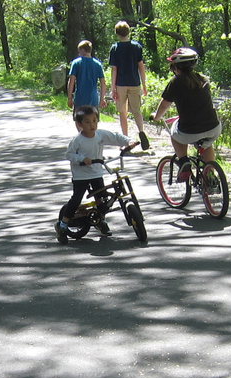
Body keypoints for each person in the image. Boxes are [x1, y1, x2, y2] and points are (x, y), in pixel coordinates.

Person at [55, 104, 139, 244]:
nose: (92, 125)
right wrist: (82, 159)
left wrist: (129, 141)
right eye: (87, 122)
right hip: (81, 175)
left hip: (96, 172)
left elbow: (115, 137)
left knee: (102, 198)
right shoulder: (78, 140)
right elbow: (69, 154)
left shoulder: (100, 135)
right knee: (76, 199)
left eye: (94, 120)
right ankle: (63, 224)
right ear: (80, 124)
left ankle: (101, 221)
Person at [149, 47, 222, 181]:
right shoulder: (203, 79)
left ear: (176, 68)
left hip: (190, 131)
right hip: (214, 128)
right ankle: (210, 176)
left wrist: (156, 117)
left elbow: (164, 104)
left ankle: (184, 162)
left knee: (174, 133)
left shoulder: (176, 82)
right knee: (206, 144)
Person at [108, 21, 149, 147]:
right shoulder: (136, 47)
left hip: (121, 84)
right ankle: (141, 131)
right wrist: (144, 84)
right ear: (128, 32)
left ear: (117, 33)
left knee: (122, 112)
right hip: (134, 83)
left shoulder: (115, 48)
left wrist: (113, 88)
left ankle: (125, 139)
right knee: (136, 110)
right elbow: (141, 67)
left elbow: (114, 70)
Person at [67, 40, 106, 112]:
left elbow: (71, 81)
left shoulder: (76, 63)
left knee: (79, 118)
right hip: (93, 100)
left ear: (82, 50)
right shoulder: (98, 64)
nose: (79, 53)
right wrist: (102, 99)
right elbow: (103, 83)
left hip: (80, 99)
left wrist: (69, 98)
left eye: (79, 51)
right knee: (92, 118)